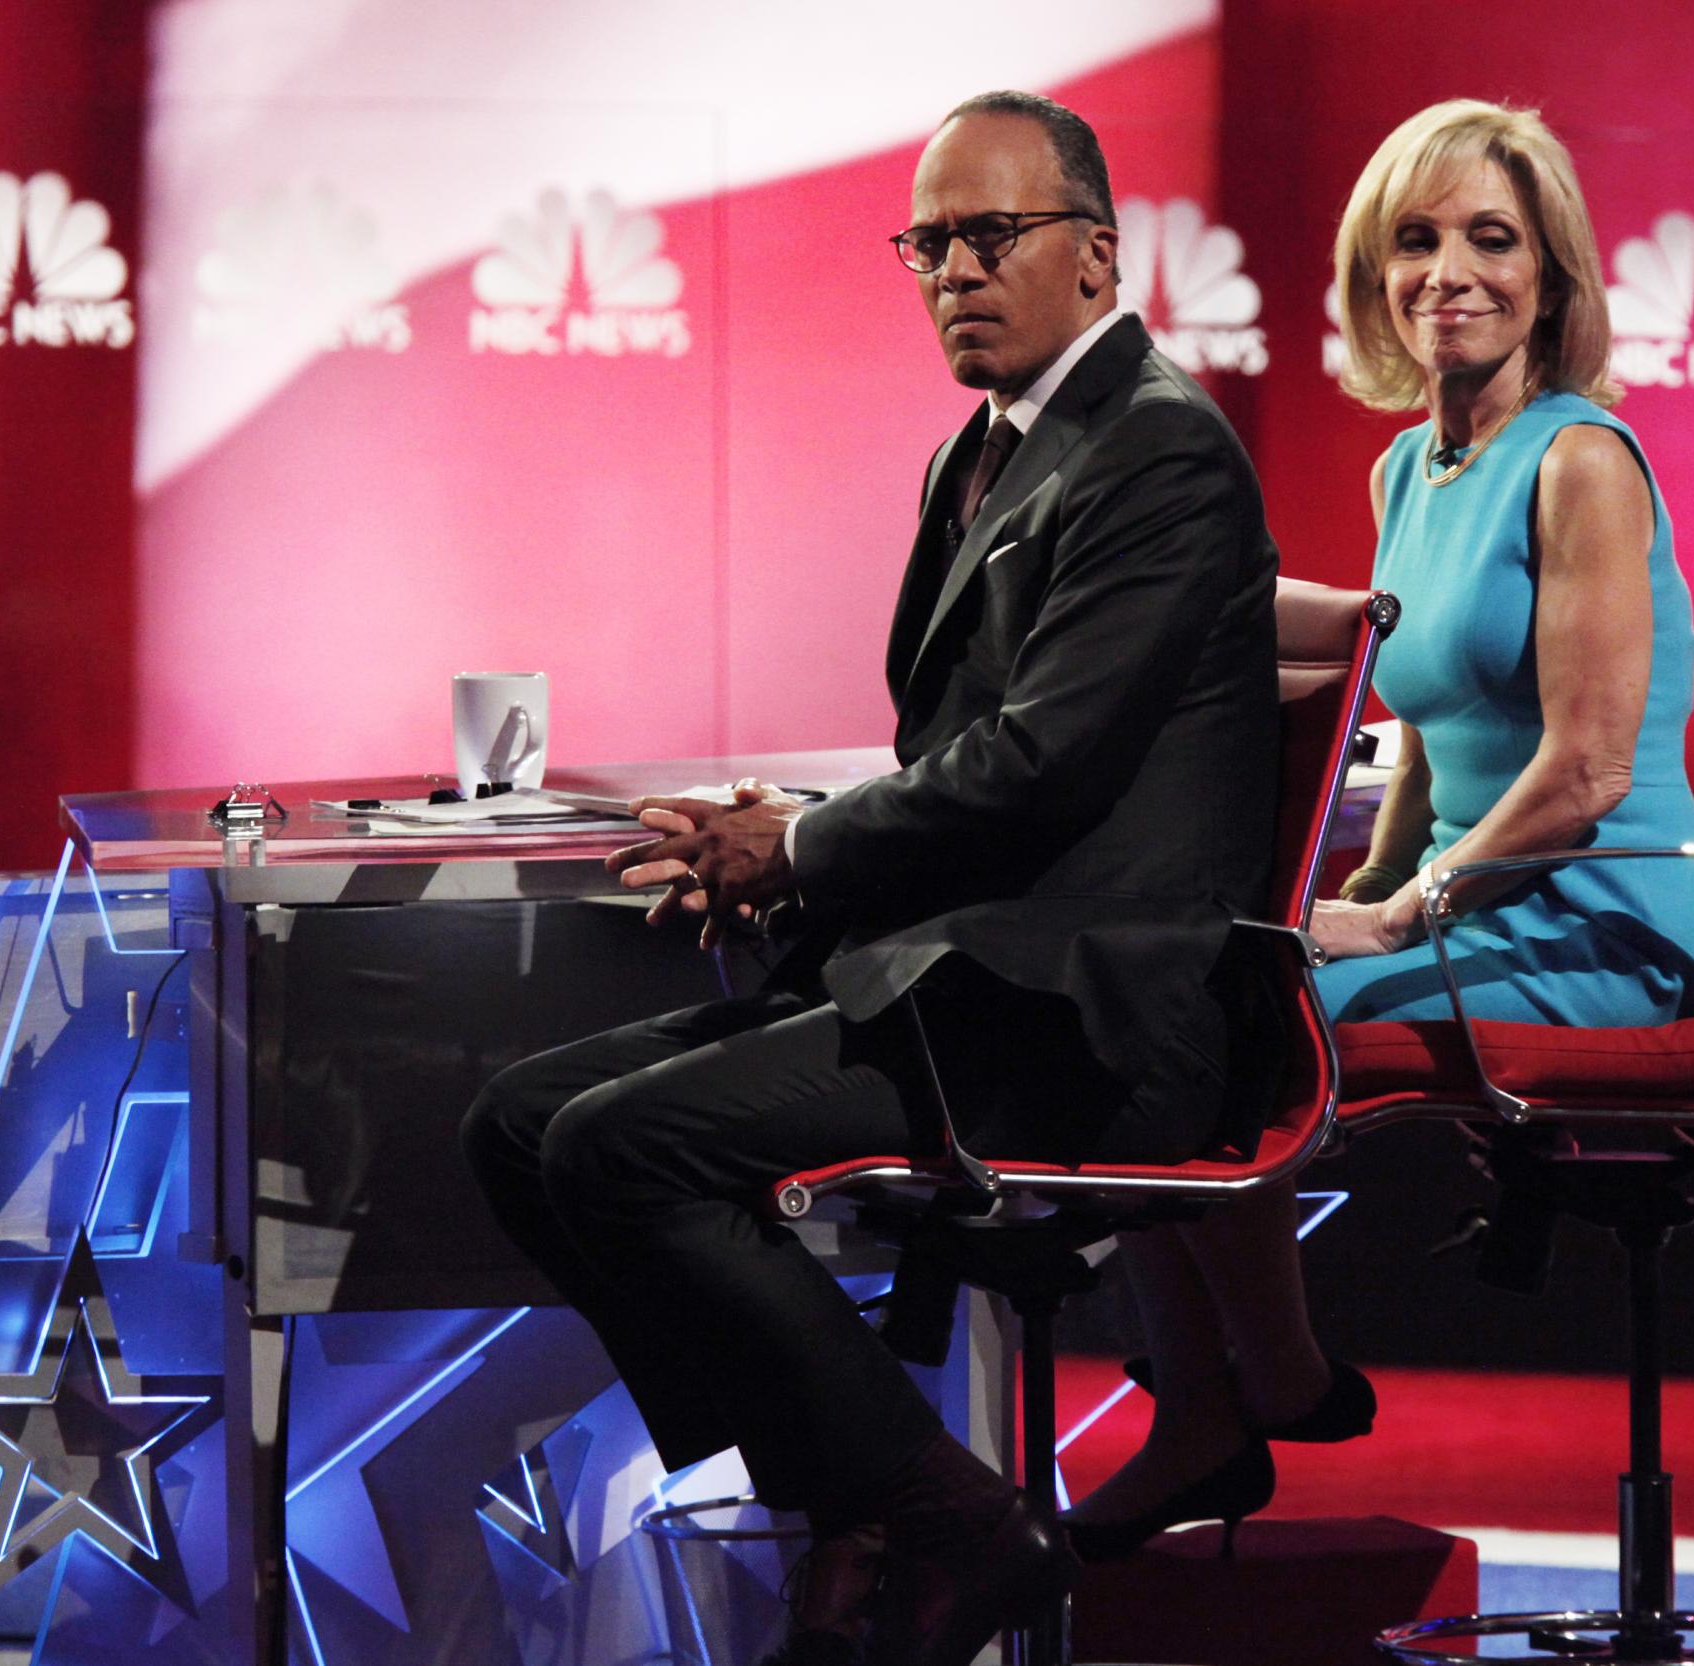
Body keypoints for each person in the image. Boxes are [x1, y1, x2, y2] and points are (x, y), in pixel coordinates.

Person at [459, 91, 1280, 1666]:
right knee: (520, 1126)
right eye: (929, 242)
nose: (954, 271)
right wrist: (785, 838)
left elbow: (1044, 765)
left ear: (1098, 255)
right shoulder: (982, 450)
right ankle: (859, 1498)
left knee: (625, 1155)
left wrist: (809, 847)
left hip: (1079, 1015)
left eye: (993, 235)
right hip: (957, 977)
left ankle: (938, 1521)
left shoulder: (1161, 452)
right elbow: (960, 750)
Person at [1063, 98, 1694, 1559]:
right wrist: (1339, 890)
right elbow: (1425, 741)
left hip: (1614, 914)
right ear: (1375, 271)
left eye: (1492, 240)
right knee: (1178, 982)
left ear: (1552, 275)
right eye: (1415, 241)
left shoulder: (1583, 462)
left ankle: (1266, 1380)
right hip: (1487, 895)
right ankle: (1210, 1401)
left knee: (1227, 1008)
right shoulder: (1402, 469)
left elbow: (1587, 771)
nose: (1451, 273)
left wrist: (1396, 913)